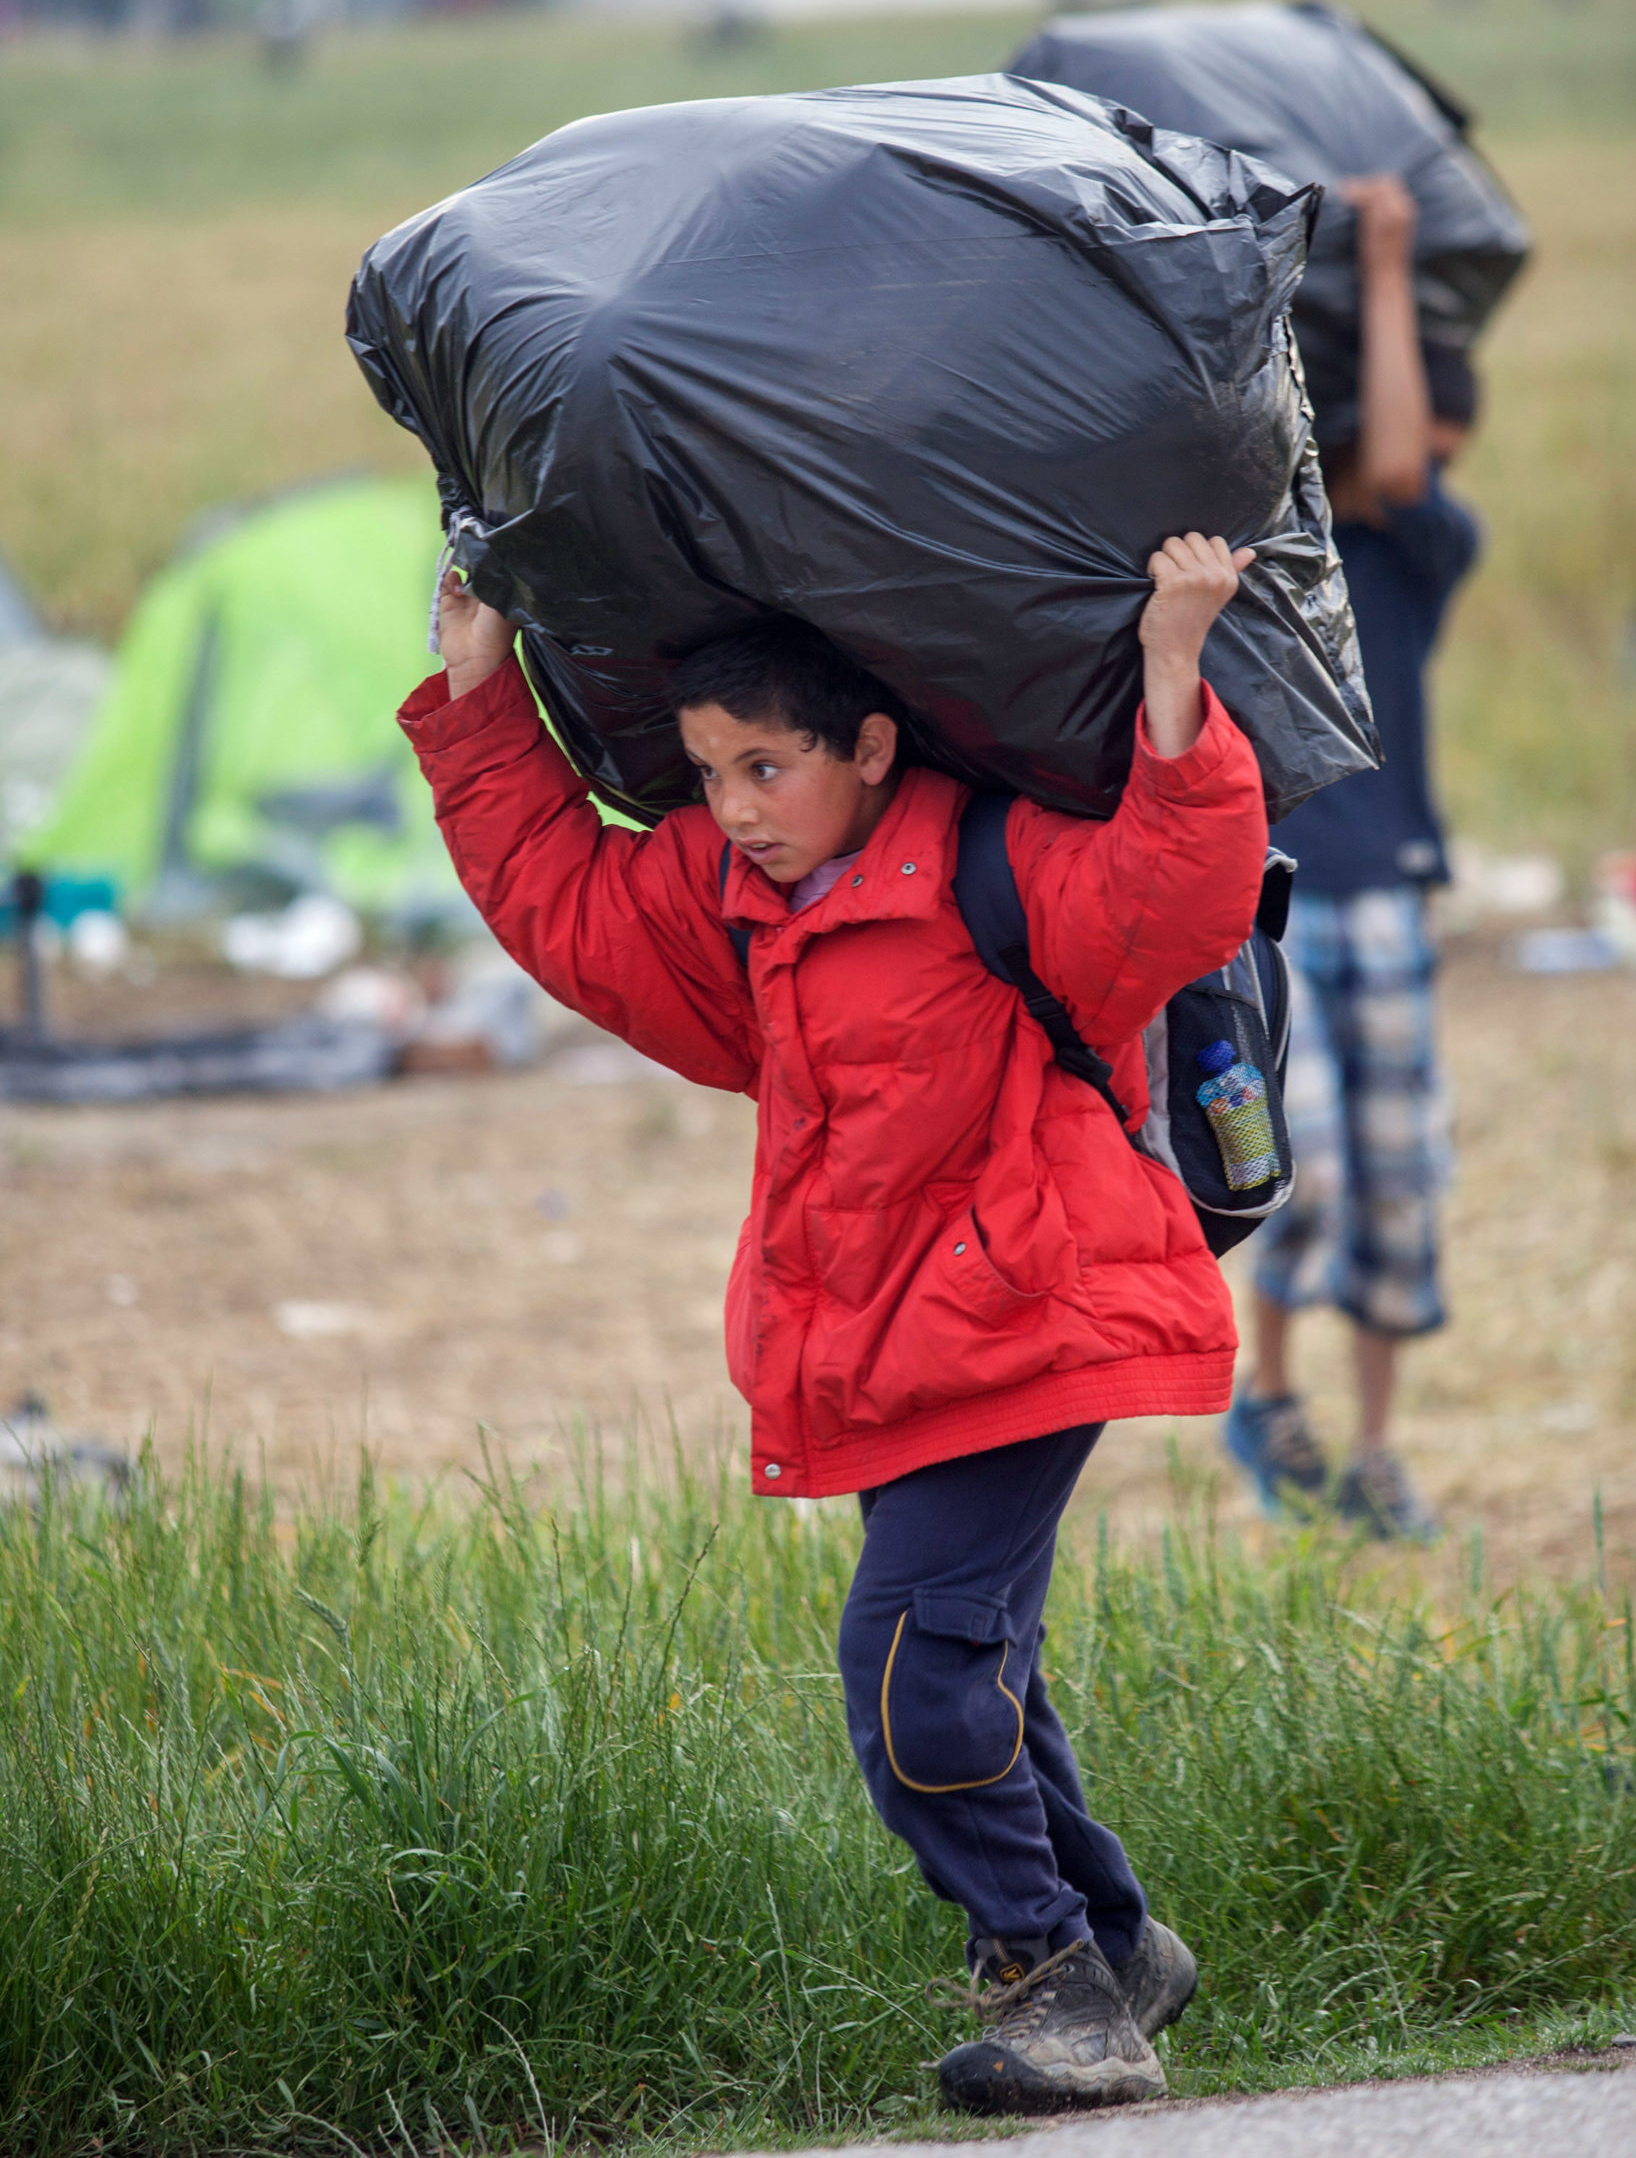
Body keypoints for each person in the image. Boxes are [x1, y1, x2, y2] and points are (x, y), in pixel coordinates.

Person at [402, 533, 1268, 2114]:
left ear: (872, 747)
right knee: (975, 1668)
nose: (735, 807)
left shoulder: (998, 868)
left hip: (1029, 1328)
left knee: (909, 1676)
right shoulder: (737, 903)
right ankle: (1115, 1948)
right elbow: (564, 903)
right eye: (707, 772)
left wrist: (1172, 658)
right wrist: (479, 695)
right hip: (887, 1353)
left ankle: (1056, 1990)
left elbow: (1179, 883)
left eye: (768, 767)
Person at [1224, 175, 1480, 1543]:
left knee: (1397, 1186)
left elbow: (1399, 468)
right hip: (1272, 892)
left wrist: (1386, 268)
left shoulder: (1425, 541)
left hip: (1385, 892)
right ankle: (1270, 1400)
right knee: (1303, 1165)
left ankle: (1376, 1448)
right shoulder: (1274, 545)